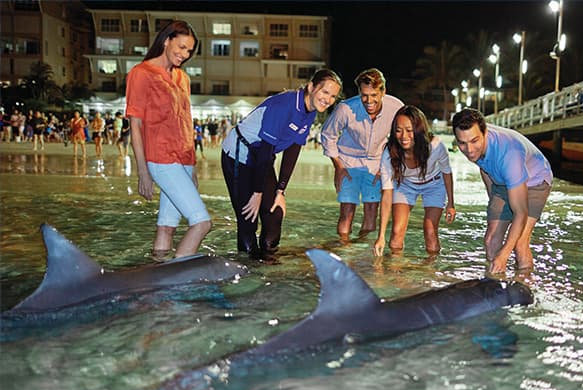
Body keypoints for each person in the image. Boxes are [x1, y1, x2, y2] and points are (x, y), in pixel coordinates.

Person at [221, 68, 342, 258]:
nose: (328, 99)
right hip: (239, 154)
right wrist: (257, 193)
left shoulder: (310, 111)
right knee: (248, 219)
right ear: (311, 87)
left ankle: (269, 267)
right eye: (325, 92)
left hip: (263, 158)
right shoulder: (284, 105)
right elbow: (265, 150)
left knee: (275, 215)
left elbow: (293, 149)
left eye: (333, 96)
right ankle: (247, 270)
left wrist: (280, 191)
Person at [126, 19, 212, 259]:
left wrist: (192, 166)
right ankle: (177, 282)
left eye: (189, 50)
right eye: (181, 47)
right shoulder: (141, 73)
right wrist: (143, 171)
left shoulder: (183, 78)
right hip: (161, 158)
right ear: (166, 41)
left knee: (167, 226)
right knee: (202, 223)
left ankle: (158, 279)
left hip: (184, 158)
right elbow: (136, 124)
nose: (184, 54)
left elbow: (185, 121)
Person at [452, 108, 553, 274]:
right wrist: (494, 202)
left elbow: (520, 213)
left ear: (485, 133)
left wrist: (504, 255)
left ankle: (525, 286)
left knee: (519, 243)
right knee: (491, 239)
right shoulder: (472, 143)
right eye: (462, 143)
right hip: (502, 181)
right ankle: (496, 284)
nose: (469, 149)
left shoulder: (509, 153)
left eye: (474, 141)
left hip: (535, 179)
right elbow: (485, 167)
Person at [321, 68, 403, 239]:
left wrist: (389, 165)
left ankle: (363, 254)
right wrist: (338, 167)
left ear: (383, 92)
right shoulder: (345, 108)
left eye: (374, 95)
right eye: (364, 95)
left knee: (372, 210)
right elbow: (328, 135)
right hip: (348, 162)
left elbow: (402, 138)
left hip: (377, 163)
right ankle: (344, 251)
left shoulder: (396, 107)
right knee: (347, 211)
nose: (369, 100)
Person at [373, 105, 456, 256]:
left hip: (434, 185)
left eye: (409, 130)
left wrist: (451, 203)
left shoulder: (435, 146)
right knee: (396, 232)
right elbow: (386, 194)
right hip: (405, 185)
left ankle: (430, 270)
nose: (403, 136)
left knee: (430, 231)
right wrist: (381, 236)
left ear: (418, 130)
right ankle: (395, 273)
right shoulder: (389, 152)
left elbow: (446, 172)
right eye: (398, 130)